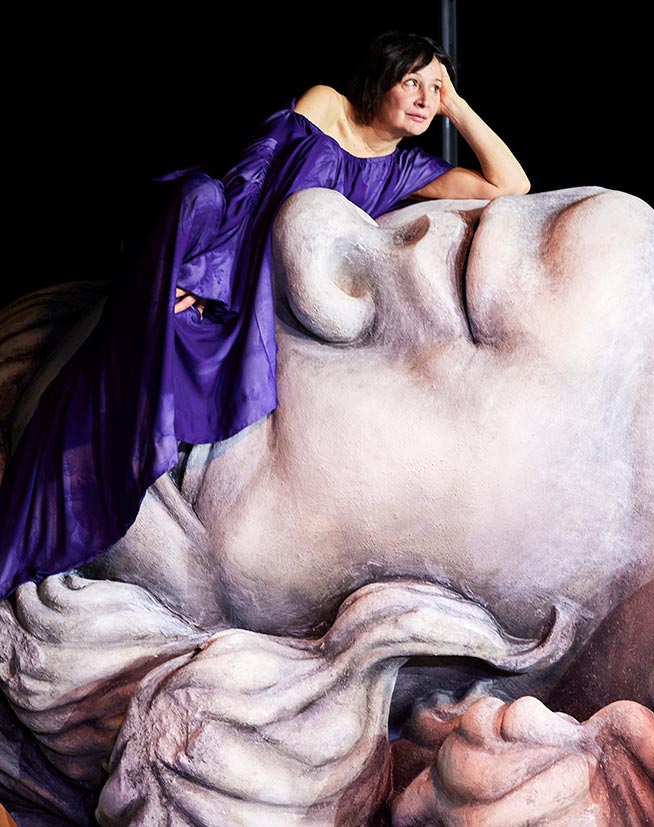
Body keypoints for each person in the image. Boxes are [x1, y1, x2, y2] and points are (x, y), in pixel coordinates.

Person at [0, 31, 529, 599]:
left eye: (436, 89)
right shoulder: (327, 104)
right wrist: (207, 275)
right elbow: (251, 185)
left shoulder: (406, 170)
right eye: (413, 83)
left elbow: (512, 185)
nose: (426, 100)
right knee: (196, 199)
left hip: (263, 290)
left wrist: (458, 106)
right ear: (383, 79)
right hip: (222, 245)